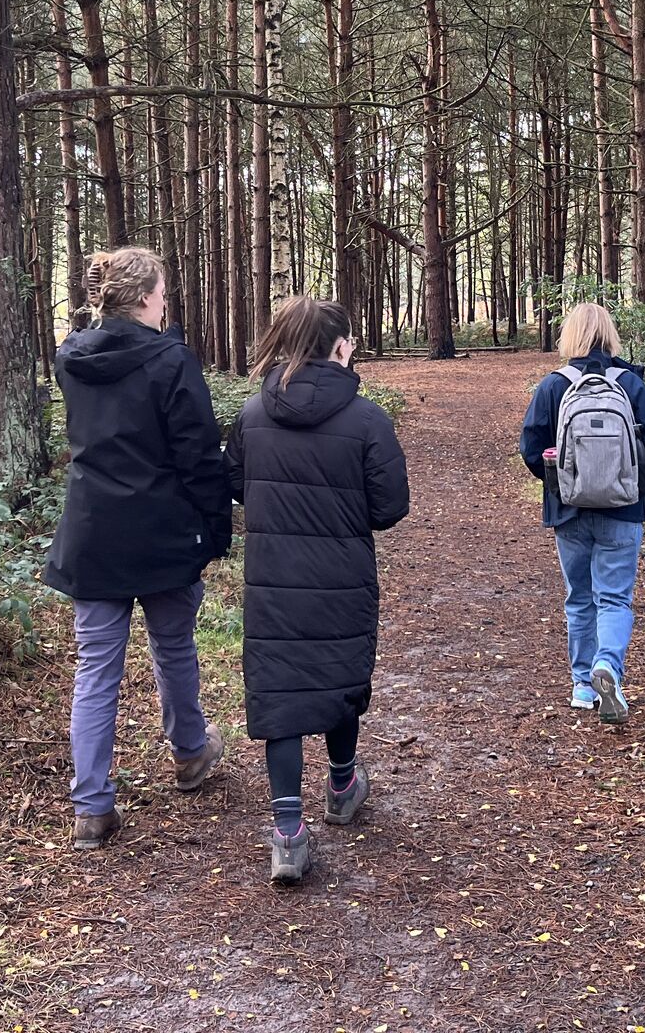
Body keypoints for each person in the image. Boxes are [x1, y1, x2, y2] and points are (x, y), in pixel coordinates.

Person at [43, 246, 230, 850]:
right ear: (145, 298)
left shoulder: (70, 359)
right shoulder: (171, 360)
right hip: (162, 532)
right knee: (173, 645)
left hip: (94, 533)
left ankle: (93, 806)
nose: (167, 302)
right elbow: (199, 453)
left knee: (96, 667)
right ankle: (190, 754)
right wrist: (216, 525)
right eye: (163, 293)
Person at [226, 297, 409, 885]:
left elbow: (237, 485)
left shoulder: (253, 414)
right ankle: (342, 784)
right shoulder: (366, 420)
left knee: (279, 691)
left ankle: (286, 832)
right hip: (340, 577)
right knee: (338, 675)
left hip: (272, 579)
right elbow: (390, 507)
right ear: (339, 347)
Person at [518, 302, 645, 726]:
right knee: (615, 598)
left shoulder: (553, 386)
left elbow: (531, 448)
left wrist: (561, 483)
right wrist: (632, 483)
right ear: (609, 335)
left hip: (569, 512)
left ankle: (584, 685)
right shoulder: (630, 385)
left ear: (570, 335)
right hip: (624, 509)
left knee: (579, 599)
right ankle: (609, 668)